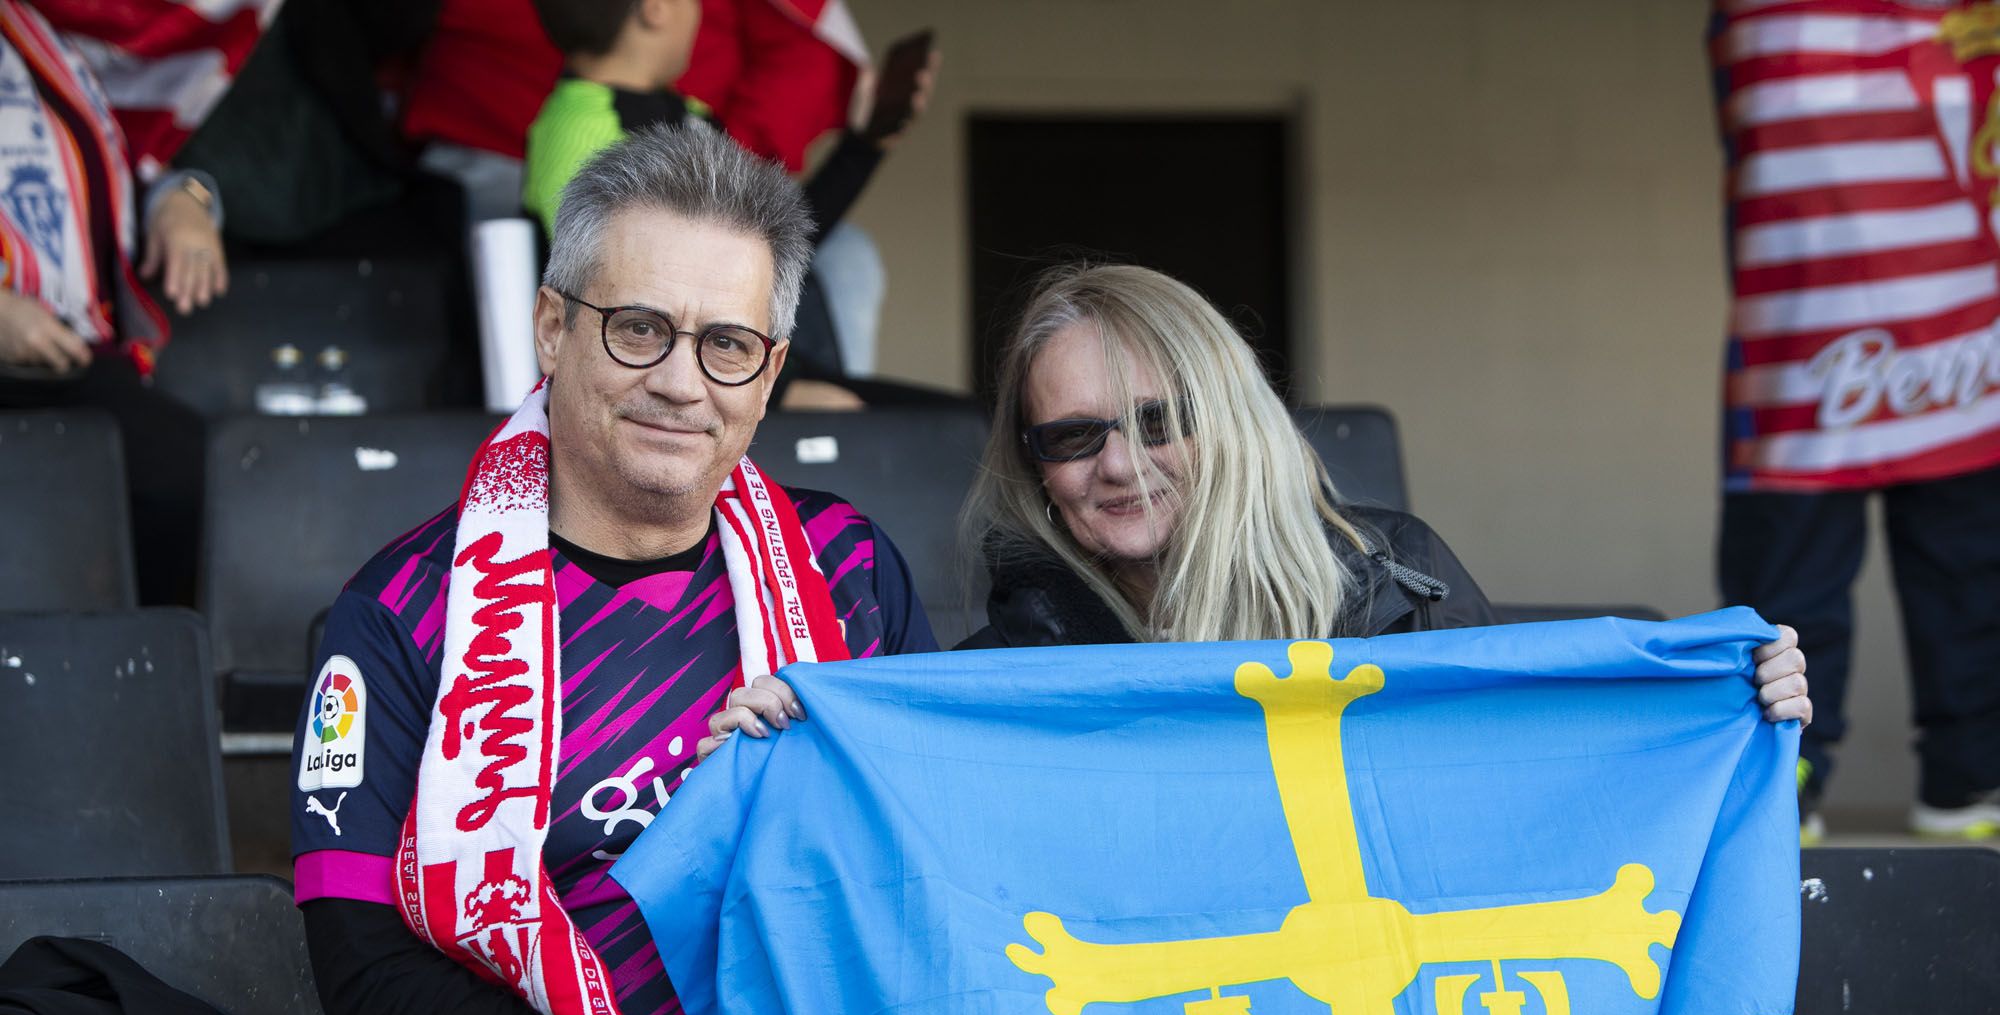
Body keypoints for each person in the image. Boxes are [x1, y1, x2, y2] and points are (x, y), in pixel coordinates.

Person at [290, 124, 934, 1015]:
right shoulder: (397, 615)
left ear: (772, 365)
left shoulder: (845, 571)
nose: (682, 381)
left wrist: (818, 778)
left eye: (727, 344)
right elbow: (367, 983)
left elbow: (944, 864)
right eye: (639, 328)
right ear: (551, 328)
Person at [703, 263, 1812, 758]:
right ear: (1035, 467)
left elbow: (1531, 757)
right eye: (1074, 435)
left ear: (1226, 416)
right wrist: (794, 735)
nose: (1122, 464)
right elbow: (905, 788)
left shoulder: (1390, 577)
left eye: (1158, 418)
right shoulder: (1014, 659)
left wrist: (1728, 693)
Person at [1708, 0, 2000, 841]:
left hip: (1967, 341)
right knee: (1787, 593)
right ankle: (1783, 779)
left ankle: (1971, 777)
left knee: (1972, 575)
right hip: (1800, 352)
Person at [522, 0, 939, 406]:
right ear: (656, 8)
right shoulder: (577, 133)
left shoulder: (686, 112)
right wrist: (783, 392)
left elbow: (770, 240)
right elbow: (631, 306)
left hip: (736, 357)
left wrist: (864, 146)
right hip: (683, 375)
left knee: (948, 417)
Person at [0, 0, 228, 605]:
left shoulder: (35, 28)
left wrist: (185, 198)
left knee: (189, 469)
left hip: (69, 351)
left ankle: (141, 671)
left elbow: (111, 156)